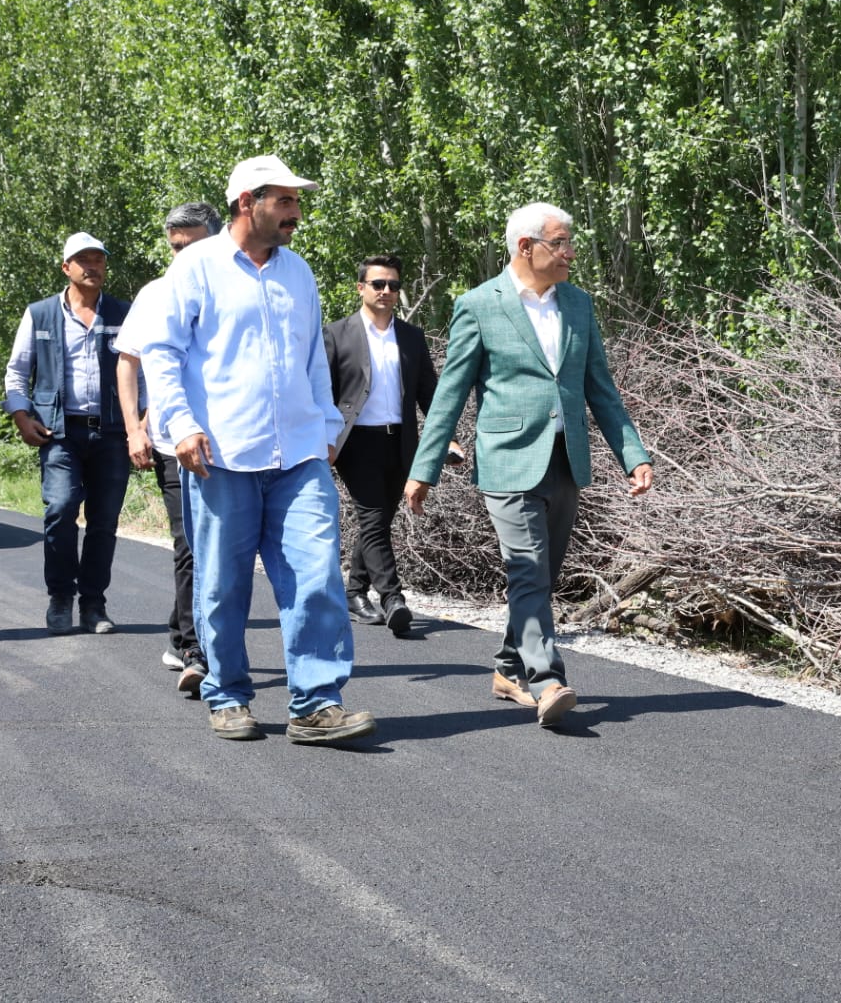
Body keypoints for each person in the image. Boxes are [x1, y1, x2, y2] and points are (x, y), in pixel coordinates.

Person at [136, 155, 376, 744]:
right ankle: (228, 695)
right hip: (220, 455)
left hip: (299, 453)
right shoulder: (195, 267)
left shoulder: (299, 273)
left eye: (297, 201)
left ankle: (316, 704)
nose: (296, 212)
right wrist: (182, 424)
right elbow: (161, 354)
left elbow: (315, 358)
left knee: (317, 574)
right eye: (286, 201)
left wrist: (325, 430)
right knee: (222, 582)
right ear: (249, 202)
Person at [404, 202, 653, 727]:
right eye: (560, 243)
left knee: (542, 574)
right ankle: (547, 679)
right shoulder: (478, 305)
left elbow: (600, 389)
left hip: (566, 461)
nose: (570, 252)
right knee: (527, 568)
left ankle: (507, 668)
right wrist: (424, 468)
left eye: (568, 243)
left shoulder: (579, 305)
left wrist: (633, 454)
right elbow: (449, 394)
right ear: (526, 247)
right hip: (507, 460)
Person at [114, 202, 222, 696]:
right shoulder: (155, 293)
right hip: (173, 441)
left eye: (192, 245)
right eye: (175, 247)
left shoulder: (238, 285)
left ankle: (181, 633)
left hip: (234, 441)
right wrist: (135, 430)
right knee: (191, 542)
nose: (182, 255)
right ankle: (196, 649)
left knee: (221, 546)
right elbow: (128, 363)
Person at [2, 232, 132, 635]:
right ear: (66, 267)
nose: (93, 266)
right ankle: (60, 598)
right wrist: (21, 416)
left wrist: (139, 423)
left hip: (112, 433)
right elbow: (16, 373)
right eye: (84, 260)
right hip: (58, 432)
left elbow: (141, 370)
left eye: (99, 260)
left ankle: (93, 604)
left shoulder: (124, 313)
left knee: (104, 520)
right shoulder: (40, 314)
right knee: (60, 509)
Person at [324, 254, 461, 635]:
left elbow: (428, 394)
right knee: (372, 517)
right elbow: (323, 393)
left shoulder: (412, 337)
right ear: (361, 288)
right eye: (378, 284)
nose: (386, 291)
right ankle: (392, 598)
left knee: (380, 520)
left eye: (393, 286)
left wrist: (446, 437)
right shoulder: (336, 334)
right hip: (355, 444)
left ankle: (354, 591)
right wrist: (323, 438)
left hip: (401, 443)